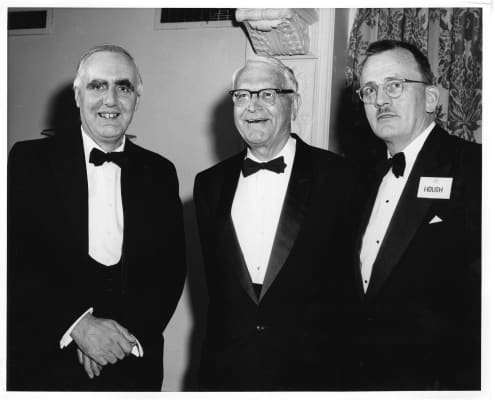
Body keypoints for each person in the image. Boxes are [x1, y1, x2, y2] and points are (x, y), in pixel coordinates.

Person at [7, 44, 186, 391]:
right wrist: (78, 326)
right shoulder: (28, 161)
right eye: (97, 85)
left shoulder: (161, 172)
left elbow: (170, 271)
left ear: (137, 98)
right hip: (45, 362)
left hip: (132, 362)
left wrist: (119, 340)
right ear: (78, 96)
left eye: (123, 87)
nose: (111, 99)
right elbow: (15, 259)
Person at [194, 55, 357, 390]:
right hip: (227, 375)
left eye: (267, 94)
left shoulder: (340, 178)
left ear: (294, 104)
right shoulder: (209, 184)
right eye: (242, 95)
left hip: (312, 375)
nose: (253, 106)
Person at [348, 39, 481, 390]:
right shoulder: (359, 179)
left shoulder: (477, 168)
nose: (380, 100)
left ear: (431, 98)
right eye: (370, 90)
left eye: (394, 85)